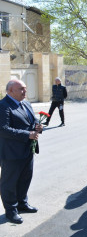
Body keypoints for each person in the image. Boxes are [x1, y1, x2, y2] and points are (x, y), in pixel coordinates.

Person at [0, 80, 43, 224]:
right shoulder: (3, 105)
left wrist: (37, 126)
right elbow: (3, 129)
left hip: (28, 149)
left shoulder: (26, 103)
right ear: (10, 91)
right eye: (21, 89)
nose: (25, 92)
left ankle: (22, 203)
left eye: (25, 89)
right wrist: (28, 134)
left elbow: (32, 119)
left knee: (25, 178)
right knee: (9, 182)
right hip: (12, 153)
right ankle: (11, 210)